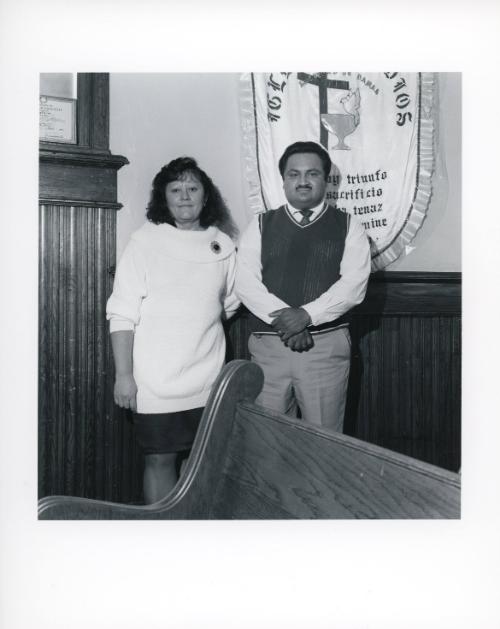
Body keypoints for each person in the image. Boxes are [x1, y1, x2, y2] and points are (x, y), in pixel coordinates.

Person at [106, 157, 239, 504]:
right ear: (162, 197)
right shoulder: (145, 242)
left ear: (205, 196)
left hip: (207, 379)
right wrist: (124, 376)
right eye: (175, 189)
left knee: (199, 464)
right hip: (155, 381)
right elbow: (122, 313)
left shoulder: (222, 244)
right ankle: (160, 540)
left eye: (192, 188)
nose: (184, 197)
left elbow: (229, 302)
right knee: (160, 460)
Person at [235, 140, 371, 432]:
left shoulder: (349, 225)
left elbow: (353, 285)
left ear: (326, 179)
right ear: (283, 181)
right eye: (294, 174)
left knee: (323, 441)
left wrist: (306, 316)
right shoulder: (260, 225)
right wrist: (289, 321)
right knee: (268, 441)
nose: (303, 181)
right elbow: (245, 283)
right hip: (269, 345)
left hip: (324, 346)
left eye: (312, 174)